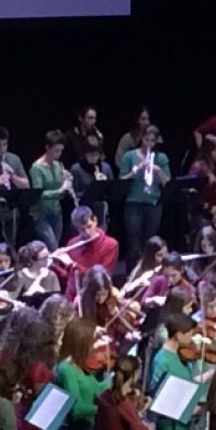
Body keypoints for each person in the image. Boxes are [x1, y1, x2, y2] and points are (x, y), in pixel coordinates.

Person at [118, 125, 171, 272]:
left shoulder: (161, 158)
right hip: (133, 203)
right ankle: (131, 275)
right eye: (146, 140)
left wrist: (158, 171)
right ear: (141, 139)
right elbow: (121, 180)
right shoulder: (130, 156)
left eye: (152, 141)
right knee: (134, 243)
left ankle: (149, 274)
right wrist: (136, 170)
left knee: (150, 243)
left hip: (153, 204)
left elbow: (168, 183)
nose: (149, 144)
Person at [54, 205, 119, 301]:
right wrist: (54, 266)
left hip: (96, 298)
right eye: (82, 230)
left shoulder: (111, 245)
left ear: (95, 220)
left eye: (89, 226)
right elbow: (69, 277)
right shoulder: (72, 243)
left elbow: (100, 277)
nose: (87, 233)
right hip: (73, 298)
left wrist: (72, 264)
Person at [28, 129, 74, 249]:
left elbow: (62, 188)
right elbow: (38, 193)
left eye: (61, 151)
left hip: (56, 212)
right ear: (47, 148)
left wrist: (67, 182)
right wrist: (59, 191)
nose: (59, 154)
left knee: (54, 248)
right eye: (56, 151)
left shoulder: (58, 165)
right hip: (41, 214)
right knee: (52, 246)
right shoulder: (37, 168)